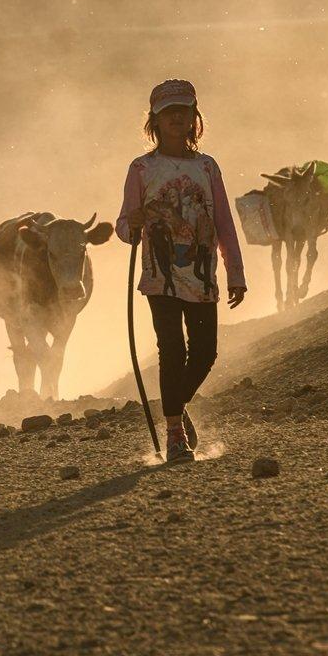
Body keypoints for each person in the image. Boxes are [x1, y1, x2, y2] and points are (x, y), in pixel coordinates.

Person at [115, 79, 246, 463]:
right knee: (171, 350)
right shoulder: (142, 168)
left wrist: (234, 271)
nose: (176, 117)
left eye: (183, 111)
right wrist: (134, 223)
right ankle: (175, 434)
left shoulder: (208, 167)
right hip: (160, 276)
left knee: (205, 353)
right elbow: (124, 228)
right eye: (168, 112)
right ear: (154, 121)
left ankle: (175, 404)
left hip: (203, 275)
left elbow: (224, 223)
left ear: (194, 118)